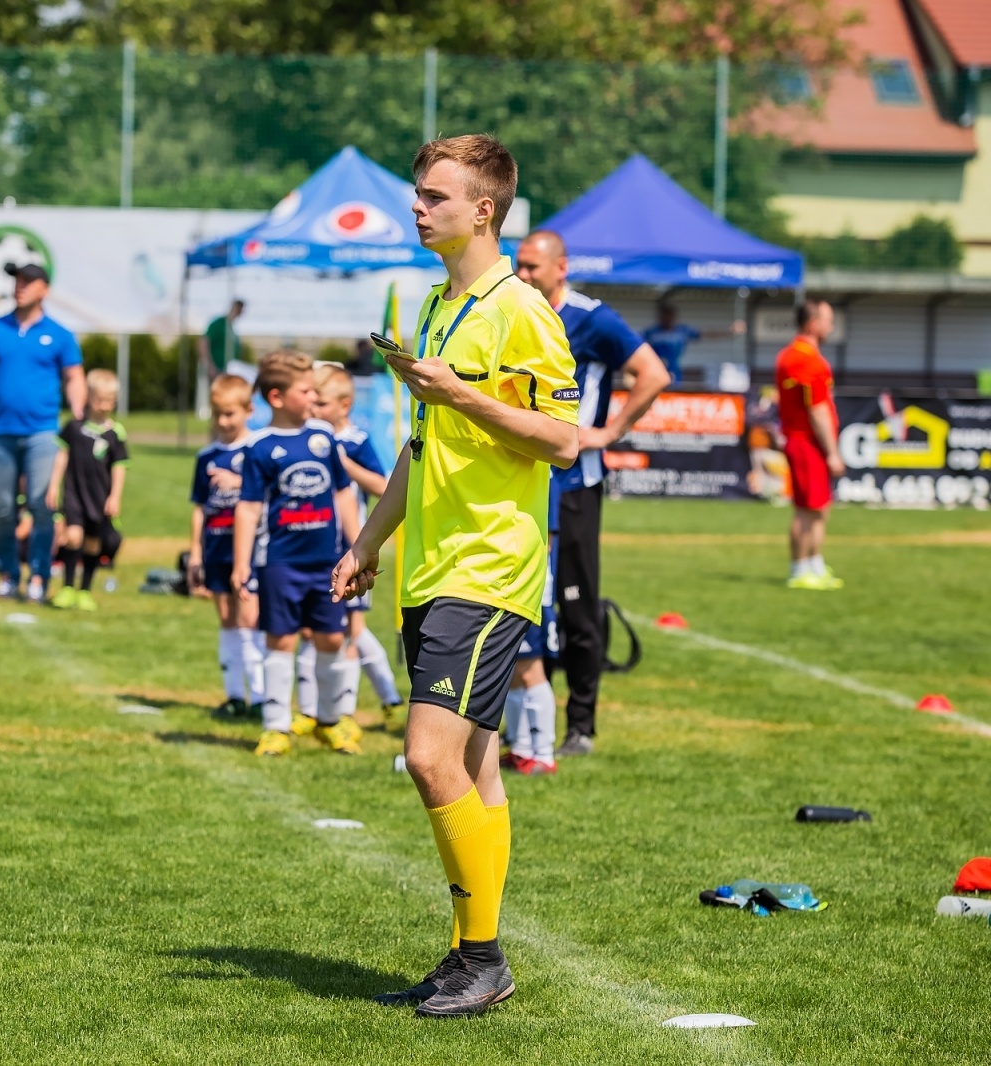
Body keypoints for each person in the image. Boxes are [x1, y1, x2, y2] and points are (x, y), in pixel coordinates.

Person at [332, 134, 579, 1017]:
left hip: (488, 567)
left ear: (484, 209)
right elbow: (420, 441)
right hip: (428, 567)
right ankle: (466, 955)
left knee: (425, 759)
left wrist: (463, 393)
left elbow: (562, 440)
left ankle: (484, 956)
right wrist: (366, 544)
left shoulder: (524, 312)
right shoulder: (437, 305)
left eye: (435, 195)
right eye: (418, 192)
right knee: (475, 770)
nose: (417, 206)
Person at [515, 230, 671, 758]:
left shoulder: (592, 318)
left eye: (533, 267)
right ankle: (519, 722)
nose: (523, 275)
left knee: (576, 606)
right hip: (522, 477)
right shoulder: (512, 311)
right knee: (518, 602)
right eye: (519, 265)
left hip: (575, 483)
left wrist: (610, 432)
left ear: (562, 268)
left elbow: (653, 373)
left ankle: (580, 725)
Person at [232, 350, 362, 757]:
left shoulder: (324, 438)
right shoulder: (259, 447)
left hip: (326, 563)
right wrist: (241, 564)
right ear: (276, 397)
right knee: (282, 641)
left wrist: (360, 548)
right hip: (280, 565)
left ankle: (328, 720)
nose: (312, 397)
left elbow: (343, 494)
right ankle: (275, 726)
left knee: (330, 638)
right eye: (305, 390)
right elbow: (249, 508)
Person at [0, 262, 86, 603]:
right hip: (0, 431)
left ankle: (40, 577)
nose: (20, 286)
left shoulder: (59, 334)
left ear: (44, 288)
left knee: (41, 505)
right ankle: (7, 574)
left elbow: (74, 376)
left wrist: (79, 413)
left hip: (43, 432)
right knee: (0, 508)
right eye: (17, 280)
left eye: (28, 281)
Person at [308, 363, 405, 726]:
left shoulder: (355, 442)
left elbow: (383, 486)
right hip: (317, 546)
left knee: (354, 631)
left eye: (320, 403)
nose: (313, 410)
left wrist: (344, 465)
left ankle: (361, 706)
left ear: (344, 405)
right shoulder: (310, 440)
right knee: (327, 630)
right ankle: (324, 709)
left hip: (352, 547)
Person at [188, 373, 263, 717]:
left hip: (247, 550)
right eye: (217, 414)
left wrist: (239, 481)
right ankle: (234, 695)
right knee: (226, 617)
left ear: (248, 410)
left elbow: (266, 499)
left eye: (229, 414)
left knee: (249, 616)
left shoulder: (258, 449)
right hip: (216, 548)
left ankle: (262, 696)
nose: (222, 421)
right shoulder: (206, 456)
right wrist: (196, 552)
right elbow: (200, 509)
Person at [775, 297, 846, 590]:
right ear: (813, 323)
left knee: (819, 508)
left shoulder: (791, 355)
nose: (831, 326)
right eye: (828, 320)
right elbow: (817, 410)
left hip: (804, 442)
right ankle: (800, 568)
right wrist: (832, 452)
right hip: (807, 443)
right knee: (807, 510)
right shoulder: (808, 360)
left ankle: (814, 564)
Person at [47, 369, 128, 611]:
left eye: (109, 402)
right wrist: (53, 485)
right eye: (99, 400)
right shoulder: (74, 427)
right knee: (73, 537)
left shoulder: (116, 433)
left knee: (93, 544)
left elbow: (119, 467)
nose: (103, 406)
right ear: (88, 397)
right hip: (74, 493)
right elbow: (62, 456)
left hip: (99, 497)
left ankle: (85, 591)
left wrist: (115, 496)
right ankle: (67, 587)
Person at [501, 481, 560, 775]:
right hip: (507, 586)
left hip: (529, 590)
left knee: (530, 670)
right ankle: (521, 748)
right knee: (512, 670)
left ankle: (545, 755)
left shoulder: (544, 477)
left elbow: (545, 541)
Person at [642, 301, 700, 385]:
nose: (668, 318)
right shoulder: (652, 332)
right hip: (656, 369)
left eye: (670, 315)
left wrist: (725, 332)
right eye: (665, 315)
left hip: (675, 369)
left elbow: (702, 334)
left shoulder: (682, 331)